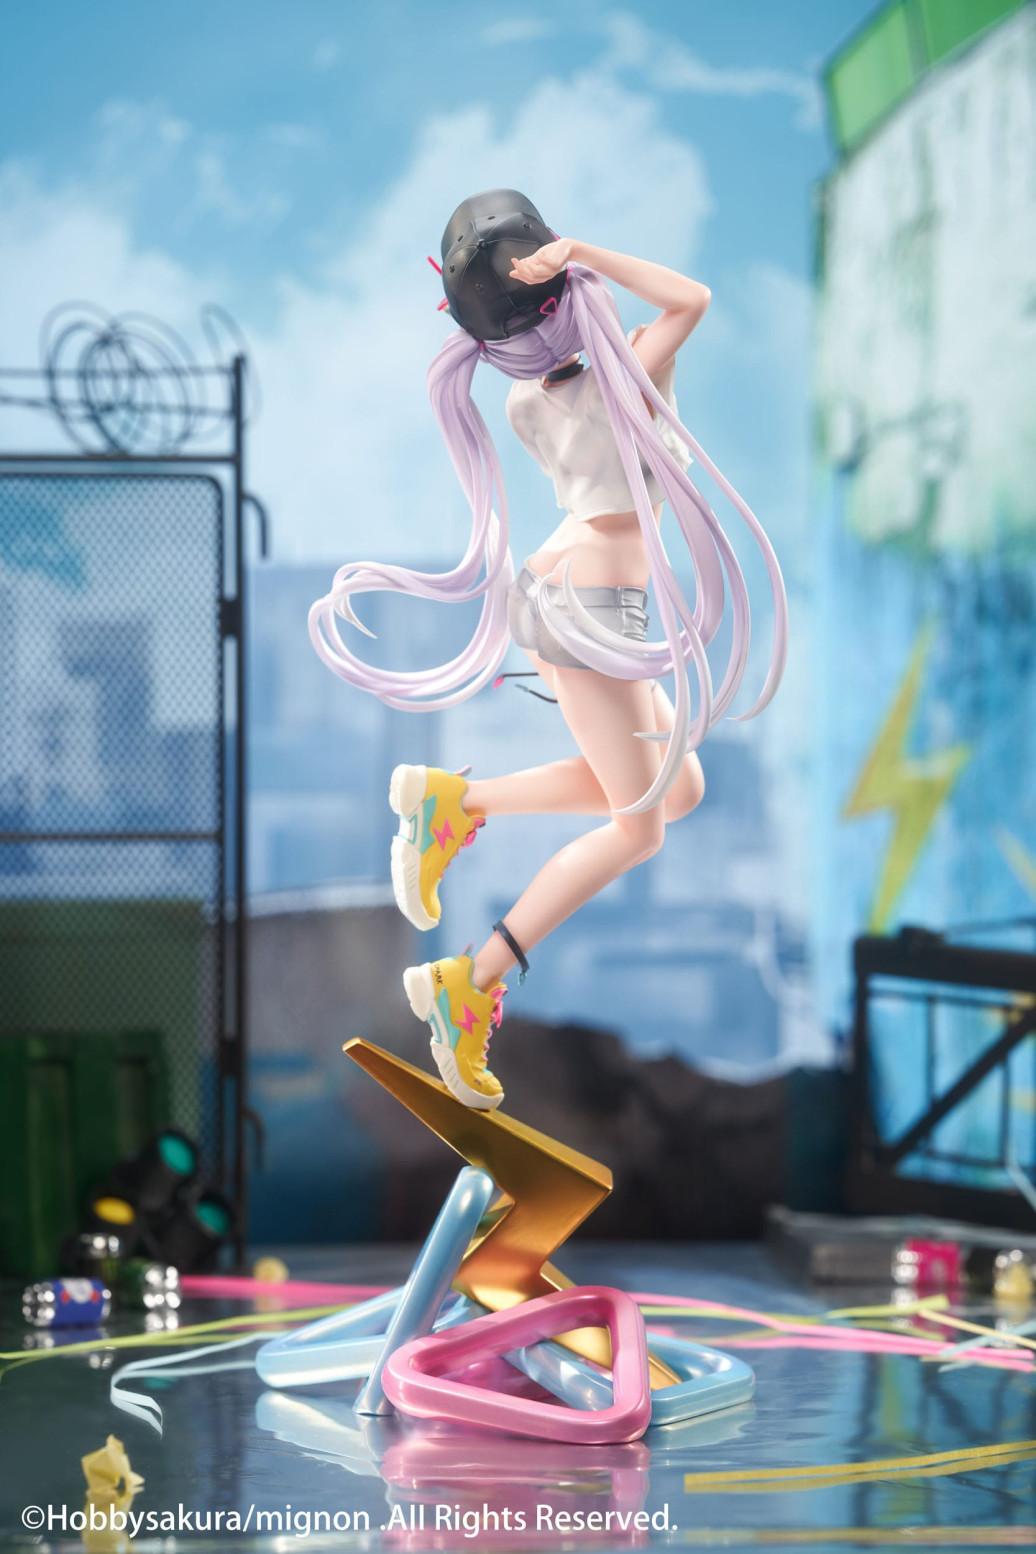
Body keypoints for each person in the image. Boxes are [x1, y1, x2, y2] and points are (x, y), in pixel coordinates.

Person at [310, 190, 787, 1111]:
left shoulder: (528, 398)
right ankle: (470, 981)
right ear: (560, 285)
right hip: (592, 610)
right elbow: (691, 298)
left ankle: (458, 802)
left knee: (678, 784)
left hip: (575, 594)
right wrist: (584, 253)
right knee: (640, 824)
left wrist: (568, 275)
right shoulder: (625, 372)